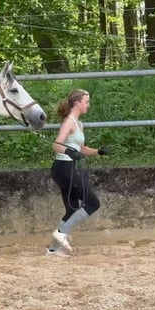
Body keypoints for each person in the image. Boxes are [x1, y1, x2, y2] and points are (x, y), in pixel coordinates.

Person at [47, 89, 110, 256]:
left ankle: (53, 250)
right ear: (77, 103)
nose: (88, 105)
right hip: (63, 167)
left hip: (68, 168)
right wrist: (68, 152)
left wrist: (98, 152)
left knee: (72, 208)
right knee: (92, 203)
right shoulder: (68, 122)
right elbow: (56, 144)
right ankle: (60, 234)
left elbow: (81, 149)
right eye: (86, 102)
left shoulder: (79, 124)